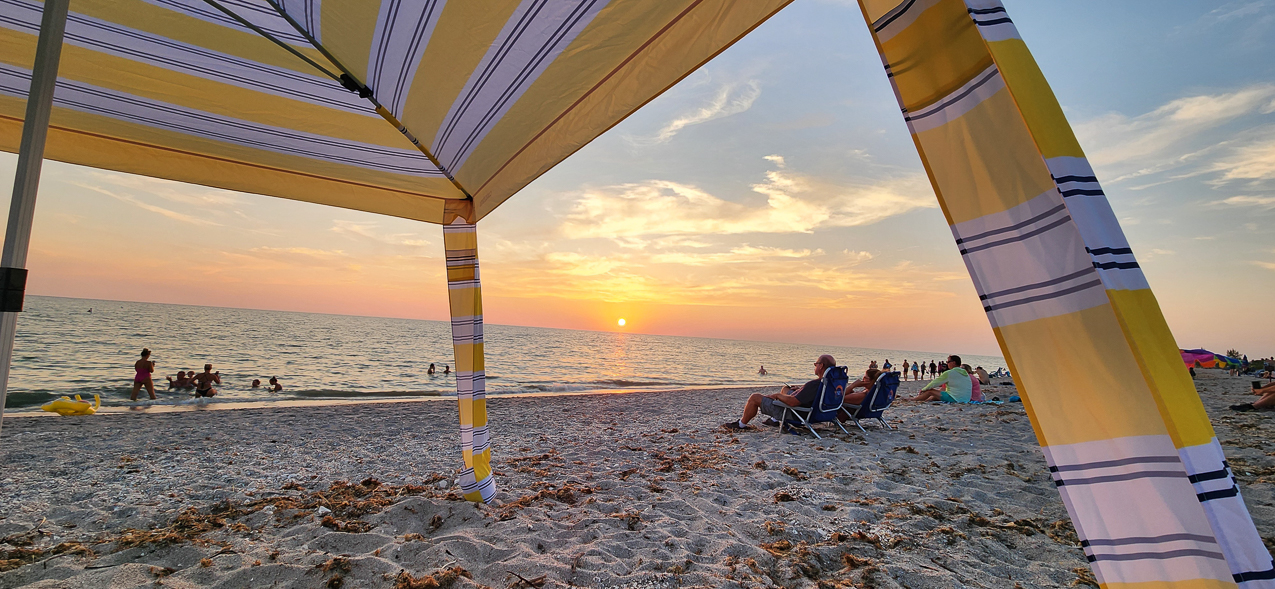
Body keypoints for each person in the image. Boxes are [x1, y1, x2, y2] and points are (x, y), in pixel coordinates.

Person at [723, 355, 835, 430]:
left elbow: (793, 403)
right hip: (816, 413)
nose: (815, 366)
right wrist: (800, 390)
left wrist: (777, 396)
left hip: (796, 414)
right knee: (786, 389)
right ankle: (774, 420)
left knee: (755, 397)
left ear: (821, 366)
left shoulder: (814, 385)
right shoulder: (830, 384)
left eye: (816, 364)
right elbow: (810, 396)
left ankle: (741, 425)